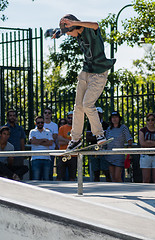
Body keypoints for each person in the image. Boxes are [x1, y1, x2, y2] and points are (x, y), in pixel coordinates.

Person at [53, 14, 116, 151]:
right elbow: (66, 31)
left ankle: (99, 134)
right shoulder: (77, 34)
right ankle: (75, 139)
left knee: (87, 105)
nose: (69, 35)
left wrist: (75, 22)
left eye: (69, 31)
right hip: (85, 72)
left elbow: (96, 24)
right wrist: (59, 33)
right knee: (78, 107)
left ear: (75, 25)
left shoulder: (90, 31)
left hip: (98, 74)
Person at [105, 111, 132, 182]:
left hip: (119, 156)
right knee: (113, 177)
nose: (114, 119)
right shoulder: (109, 129)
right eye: (113, 117)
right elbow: (106, 142)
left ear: (119, 119)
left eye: (116, 117)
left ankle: (122, 190)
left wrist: (129, 154)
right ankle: (115, 192)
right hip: (109, 155)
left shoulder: (123, 128)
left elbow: (129, 140)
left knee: (118, 177)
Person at [86, 107, 111, 182]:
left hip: (104, 150)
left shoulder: (106, 125)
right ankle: (96, 187)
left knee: (106, 171)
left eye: (98, 113)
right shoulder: (90, 124)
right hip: (94, 150)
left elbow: (106, 138)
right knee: (96, 172)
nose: (96, 115)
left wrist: (94, 136)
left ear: (101, 115)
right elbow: (88, 138)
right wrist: (100, 137)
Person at [139, 113, 155, 183]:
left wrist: (149, 142)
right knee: (146, 179)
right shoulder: (142, 131)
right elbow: (142, 143)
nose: (150, 121)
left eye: (152, 120)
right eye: (148, 120)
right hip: (145, 156)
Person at [29, 116, 54, 180]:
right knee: (36, 179)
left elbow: (50, 143)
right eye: (38, 122)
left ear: (44, 123)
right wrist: (44, 140)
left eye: (42, 122)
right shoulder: (32, 132)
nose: (40, 124)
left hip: (46, 158)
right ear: (36, 123)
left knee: (46, 179)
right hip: (35, 158)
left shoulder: (48, 132)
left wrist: (38, 141)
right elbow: (33, 142)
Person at [57, 111, 77, 181]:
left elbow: (77, 142)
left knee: (72, 177)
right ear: (67, 118)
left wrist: (65, 140)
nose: (70, 119)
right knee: (59, 176)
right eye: (69, 118)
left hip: (73, 155)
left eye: (72, 118)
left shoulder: (77, 128)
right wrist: (70, 141)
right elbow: (60, 141)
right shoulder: (62, 128)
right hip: (63, 153)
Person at [43, 107, 58, 180]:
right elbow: (35, 138)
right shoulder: (40, 124)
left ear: (51, 115)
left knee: (50, 170)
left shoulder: (54, 125)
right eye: (45, 113)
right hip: (41, 151)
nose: (47, 114)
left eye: (49, 113)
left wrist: (42, 140)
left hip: (51, 150)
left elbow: (54, 138)